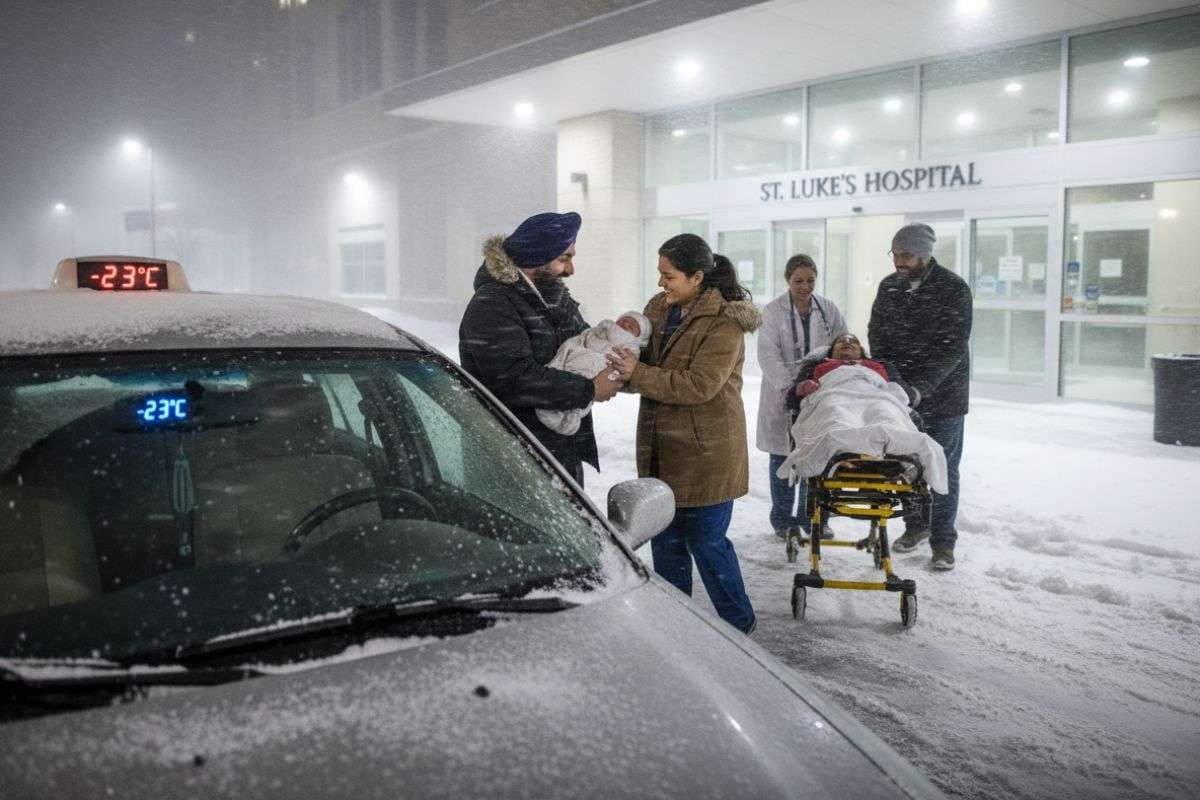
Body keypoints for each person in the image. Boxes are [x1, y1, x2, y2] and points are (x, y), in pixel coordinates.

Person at [608, 234, 759, 635]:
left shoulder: (725, 322)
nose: (661, 283)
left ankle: (739, 626)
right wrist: (618, 360)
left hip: (707, 454)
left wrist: (638, 374)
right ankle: (676, 629)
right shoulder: (657, 310)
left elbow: (700, 384)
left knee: (708, 546)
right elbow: (644, 363)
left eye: (669, 275)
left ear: (697, 277)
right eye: (660, 273)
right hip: (660, 450)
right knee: (666, 545)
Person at [459, 211, 623, 486]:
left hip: (557, 452)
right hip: (511, 458)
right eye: (564, 258)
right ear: (537, 257)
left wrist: (622, 358)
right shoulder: (493, 304)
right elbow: (513, 378)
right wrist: (590, 389)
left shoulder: (555, 298)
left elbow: (585, 345)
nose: (570, 270)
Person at [868, 223, 972, 571]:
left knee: (943, 468)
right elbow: (877, 336)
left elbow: (951, 348)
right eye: (895, 254)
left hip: (945, 397)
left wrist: (921, 388)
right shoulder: (889, 287)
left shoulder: (953, 288)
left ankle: (943, 543)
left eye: (906, 255)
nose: (899, 261)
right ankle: (915, 527)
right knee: (906, 465)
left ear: (925, 255)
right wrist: (895, 382)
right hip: (902, 397)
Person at [778, 333, 947, 496]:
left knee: (884, 413)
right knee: (836, 414)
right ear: (831, 351)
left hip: (877, 397)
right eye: (841, 341)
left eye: (853, 341)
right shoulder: (815, 366)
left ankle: (874, 444)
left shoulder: (880, 366)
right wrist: (801, 388)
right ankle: (846, 444)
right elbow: (791, 399)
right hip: (833, 396)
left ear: (861, 351)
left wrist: (895, 391)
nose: (848, 342)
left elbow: (905, 392)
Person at [756, 254, 847, 542]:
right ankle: (783, 521)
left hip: (820, 390)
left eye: (810, 280)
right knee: (782, 457)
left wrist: (825, 377)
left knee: (818, 456)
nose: (805, 286)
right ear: (787, 280)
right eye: (798, 281)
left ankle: (814, 518)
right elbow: (767, 355)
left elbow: (842, 345)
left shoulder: (828, 309)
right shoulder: (773, 312)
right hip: (783, 391)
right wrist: (792, 386)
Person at [536, 311, 651, 436]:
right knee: (568, 391)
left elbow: (622, 367)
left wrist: (609, 378)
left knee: (580, 397)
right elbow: (582, 338)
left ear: (639, 338)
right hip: (576, 363)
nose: (625, 324)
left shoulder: (631, 347)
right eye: (624, 320)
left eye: (631, 326)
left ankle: (571, 416)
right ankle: (558, 412)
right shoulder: (600, 330)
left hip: (596, 371)